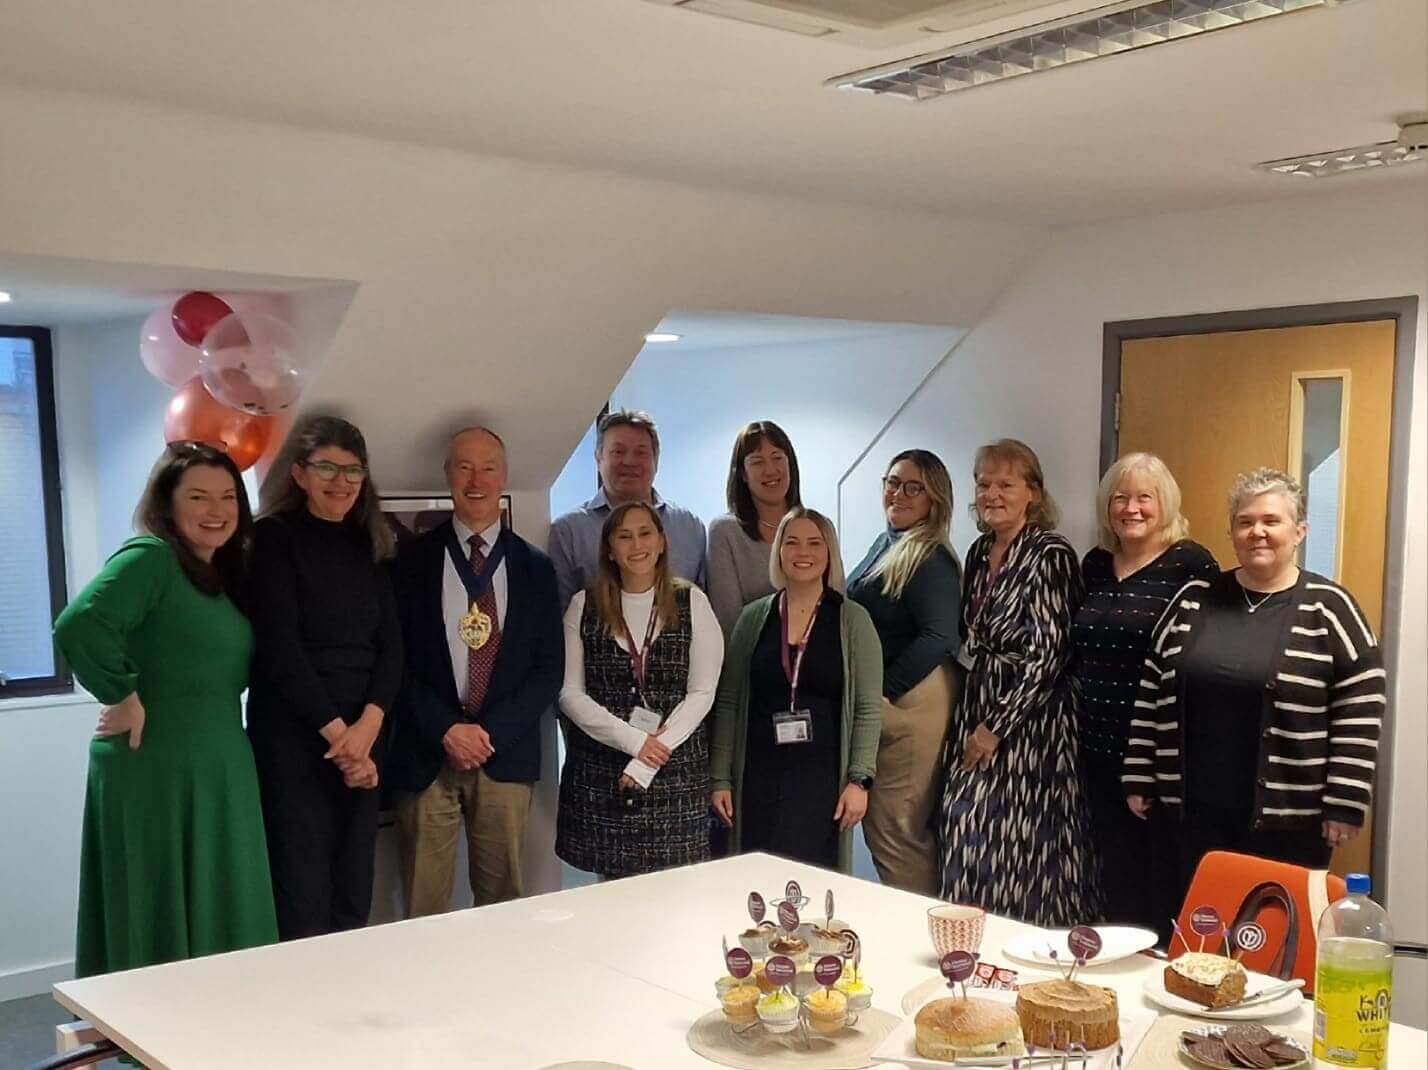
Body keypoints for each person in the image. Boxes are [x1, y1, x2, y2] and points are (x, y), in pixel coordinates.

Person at [1124, 468, 1384, 930]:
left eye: (1272, 521)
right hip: (1190, 817)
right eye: (1245, 522)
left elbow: (1361, 704)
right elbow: (1152, 686)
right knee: (1192, 940)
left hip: (1289, 823)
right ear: (1231, 532)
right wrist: (1140, 772)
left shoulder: (1329, 608)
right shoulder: (1195, 597)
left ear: (1300, 531)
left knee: (1273, 942)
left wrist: (1345, 799)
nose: (1257, 532)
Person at [52, 442, 277, 976]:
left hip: (219, 755)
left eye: (227, 497)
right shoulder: (150, 558)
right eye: (198, 496)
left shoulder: (216, 577)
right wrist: (121, 694)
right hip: (155, 760)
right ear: (167, 504)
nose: (216, 510)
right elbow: (79, 623)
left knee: (224, 894)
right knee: (156, 900)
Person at [387, 428, 563, 913]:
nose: (476, 479)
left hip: (502, 756)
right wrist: (446, 729)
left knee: (503, 905)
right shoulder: (409, 563)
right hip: (427, 754)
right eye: (464, 466)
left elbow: (549, 669)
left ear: (504, 476)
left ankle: (502, 990)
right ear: (447, 476)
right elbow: (393, 662)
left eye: (488, 466)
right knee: (423, 907)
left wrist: (486, 734)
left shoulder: (535, 567)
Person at [246, 417, 402, 940]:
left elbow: (392, 648)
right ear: (300, 474)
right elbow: (280, 650)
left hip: (364, 735)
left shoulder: (372, 540)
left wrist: (367, 731)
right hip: (296, 738)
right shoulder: (273, 538)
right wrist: (342, 738)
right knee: (302, 887)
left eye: (352, 470)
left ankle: (343, 1008)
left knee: (354, 886)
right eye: (327, 468)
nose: (341, 481)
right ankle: (298, 1013)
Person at [937, 439, 1094, 926]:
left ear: (1032, 493)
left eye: (1006, 483)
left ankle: (1033, 951)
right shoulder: (980, 549)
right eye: (983, 484)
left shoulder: (1051, 554)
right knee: (965, 826)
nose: (992, 493)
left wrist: (995, 728)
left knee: (1024, 843)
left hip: (1033, 725)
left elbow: (1049, 655)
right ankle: (969, 942)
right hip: (978, 701)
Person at [1071, 452, 1217, 928]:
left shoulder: (1191, 566)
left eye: (1143, 498)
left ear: (1165, 504)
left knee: (1157, 878)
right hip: (1090, 746)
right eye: (1120, 498)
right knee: (1106, 876)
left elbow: (1201, 660)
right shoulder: (1093, 564)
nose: (1131, 508)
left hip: (1157, 751)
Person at [555, 502, 722, 879]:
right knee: (613, 905)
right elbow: (570, 695)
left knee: (676, 905)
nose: (636, 545)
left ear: (662, 542)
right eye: (624, 536)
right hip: (604, 777)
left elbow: (702, 692)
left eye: (645, 533)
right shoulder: (583, 605)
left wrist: (647, 759)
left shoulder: (692, 600)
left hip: (674, 780)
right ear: (610, 549)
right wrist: (635, 743)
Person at [711, 508, 883, 872]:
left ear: (829, 553)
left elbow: (868, 708)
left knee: (815, 884)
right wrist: (720, 779)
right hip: (758, 776)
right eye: (792, 542)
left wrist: (860, 780)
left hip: (822, 783)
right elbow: (728, 703)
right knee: (757, 878)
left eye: (814, 543)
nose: (802, 552)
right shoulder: (753, 618)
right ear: (779, 553)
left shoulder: (853, 621)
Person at [847, 450, 962, 895]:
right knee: (888, 828)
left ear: (935, 498)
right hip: (899, 695)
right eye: (893, 482)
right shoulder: (890, 540)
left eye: (914, 486)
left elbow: (939, 636)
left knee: (898, 830)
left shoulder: (929, 556)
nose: (899, 493)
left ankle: (928, 940)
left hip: (914, 698)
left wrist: (884, 692)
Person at [549, 409, 706, 610]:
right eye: (618, 452)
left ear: (656, 461)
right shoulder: (569, 531)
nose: (630, 462)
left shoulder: (689, 526)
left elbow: (703, 608)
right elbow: (559, 614)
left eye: (641, 452)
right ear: (598, 459)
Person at [706, 421, 802, 637]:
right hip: (750, 662)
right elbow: (730, 623)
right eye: (757, 462)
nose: (770, 470)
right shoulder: (724, 532)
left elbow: (837, 606)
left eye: (777, 458)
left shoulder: (815, 526)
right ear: (743, 474)